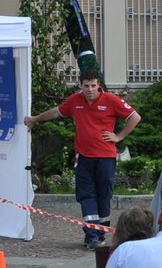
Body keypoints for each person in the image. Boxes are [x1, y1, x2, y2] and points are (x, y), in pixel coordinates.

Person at [24, 70, 141, 249]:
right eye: (86, 86)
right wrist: (35, 119)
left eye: (93, 85)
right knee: (86, 196)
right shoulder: (75, 100)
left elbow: (134, 117)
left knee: (104, 196)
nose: (90, 89)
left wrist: (118, 136)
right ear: (80, 85)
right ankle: (92, 235)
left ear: (98, 85)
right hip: (83, 157)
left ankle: (100, 232)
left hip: (105, 157)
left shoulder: (111, 100)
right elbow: (56, 112)